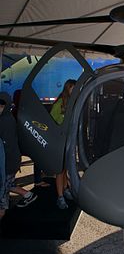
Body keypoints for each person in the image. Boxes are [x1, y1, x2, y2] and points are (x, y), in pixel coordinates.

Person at [0, 92, 37, 220]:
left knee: (3, 195)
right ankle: (27, 194)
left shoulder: (5, 121)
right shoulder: (8, 118)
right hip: (12, 160)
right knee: (8, 184)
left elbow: (6, 146)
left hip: (8, 162)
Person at [50, 79, 76, 209]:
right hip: (60, 141)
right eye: (72, 87)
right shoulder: (60, 103)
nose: (74, 90)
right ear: (67, 88)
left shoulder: (73, 103)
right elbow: (51, 122)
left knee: (65, 168)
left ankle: (65, 190)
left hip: (69, 141)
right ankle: (60, 197)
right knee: (59, 170)